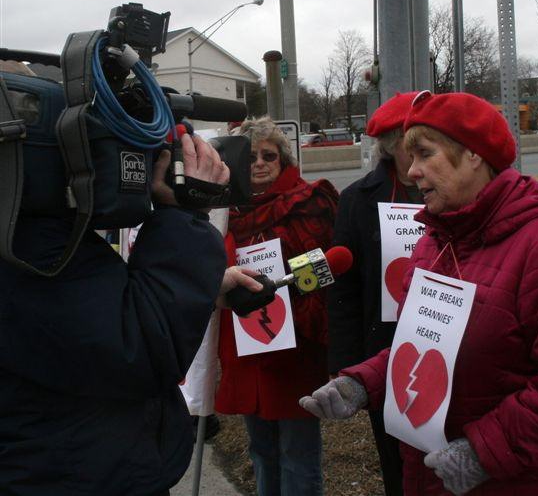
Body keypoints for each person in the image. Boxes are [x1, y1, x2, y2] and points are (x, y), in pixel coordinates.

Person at [301, 91, 538, 496]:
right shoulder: (435, 240)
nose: (412, 172)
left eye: (425, 155)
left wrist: (484, 452)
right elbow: (424, 344)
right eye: (410, 158)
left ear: (474, 155)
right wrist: (363, 382)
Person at [0, 132, 263, 496]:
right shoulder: (31, 246)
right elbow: (141, 347)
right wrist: (185, 213)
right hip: (74, 476)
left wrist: (205, 285)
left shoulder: (25, 233)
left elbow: (101, 314)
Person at [215, 116, 339, 496]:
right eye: (250, 156)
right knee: (261, 449)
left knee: (296, 452)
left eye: (269, 155)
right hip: (246, 342)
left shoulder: (308, 202)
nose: (259, 163)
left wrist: (286, 279)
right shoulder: (223, 211)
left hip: (294, 344)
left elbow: (325, 269)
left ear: (283, 159)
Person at [328, 91, 420, 496]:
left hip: (444, 341)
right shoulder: (356, 200)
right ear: (392, 144)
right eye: (414, 137)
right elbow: (343, 287)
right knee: (397, 461)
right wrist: (348, 363)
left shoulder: (456, 189)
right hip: (384, 348)